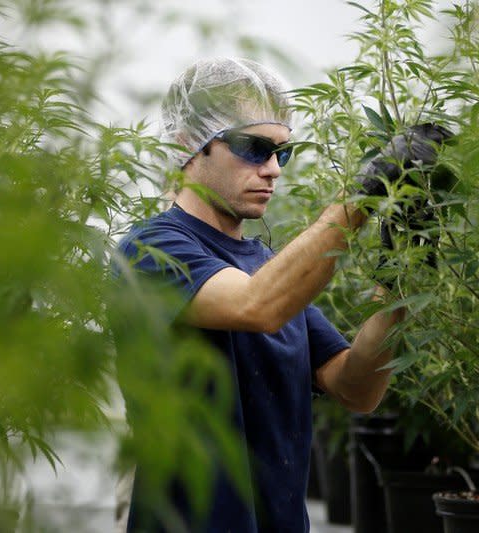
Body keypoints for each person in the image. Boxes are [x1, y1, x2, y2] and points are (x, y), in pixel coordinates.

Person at [115, 57, 450, 533]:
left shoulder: (267, 268)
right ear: (190, 143)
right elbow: (256, 306)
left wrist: (397, 282)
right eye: (254, 148)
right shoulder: (151, 251)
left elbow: (356, 388)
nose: (273, 169)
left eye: (281, 153)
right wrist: (364, 194)